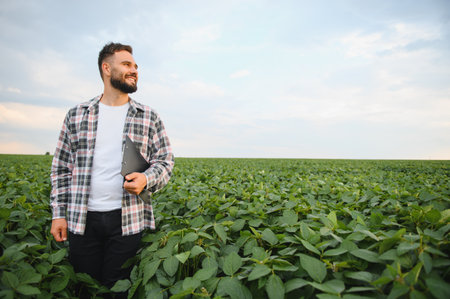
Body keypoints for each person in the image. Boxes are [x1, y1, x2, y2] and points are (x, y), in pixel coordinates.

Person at [50, 42, 174, 296]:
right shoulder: (77, 115)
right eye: (127, 64)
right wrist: (58, 214)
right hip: (81, 220)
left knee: (118, 291)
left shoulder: (148, 115)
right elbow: (61, 168)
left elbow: (165, 162)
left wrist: (146, 179)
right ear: (106, 68)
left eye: (136, 66)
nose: (134, 70)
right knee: (86, 289)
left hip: (127, 220)